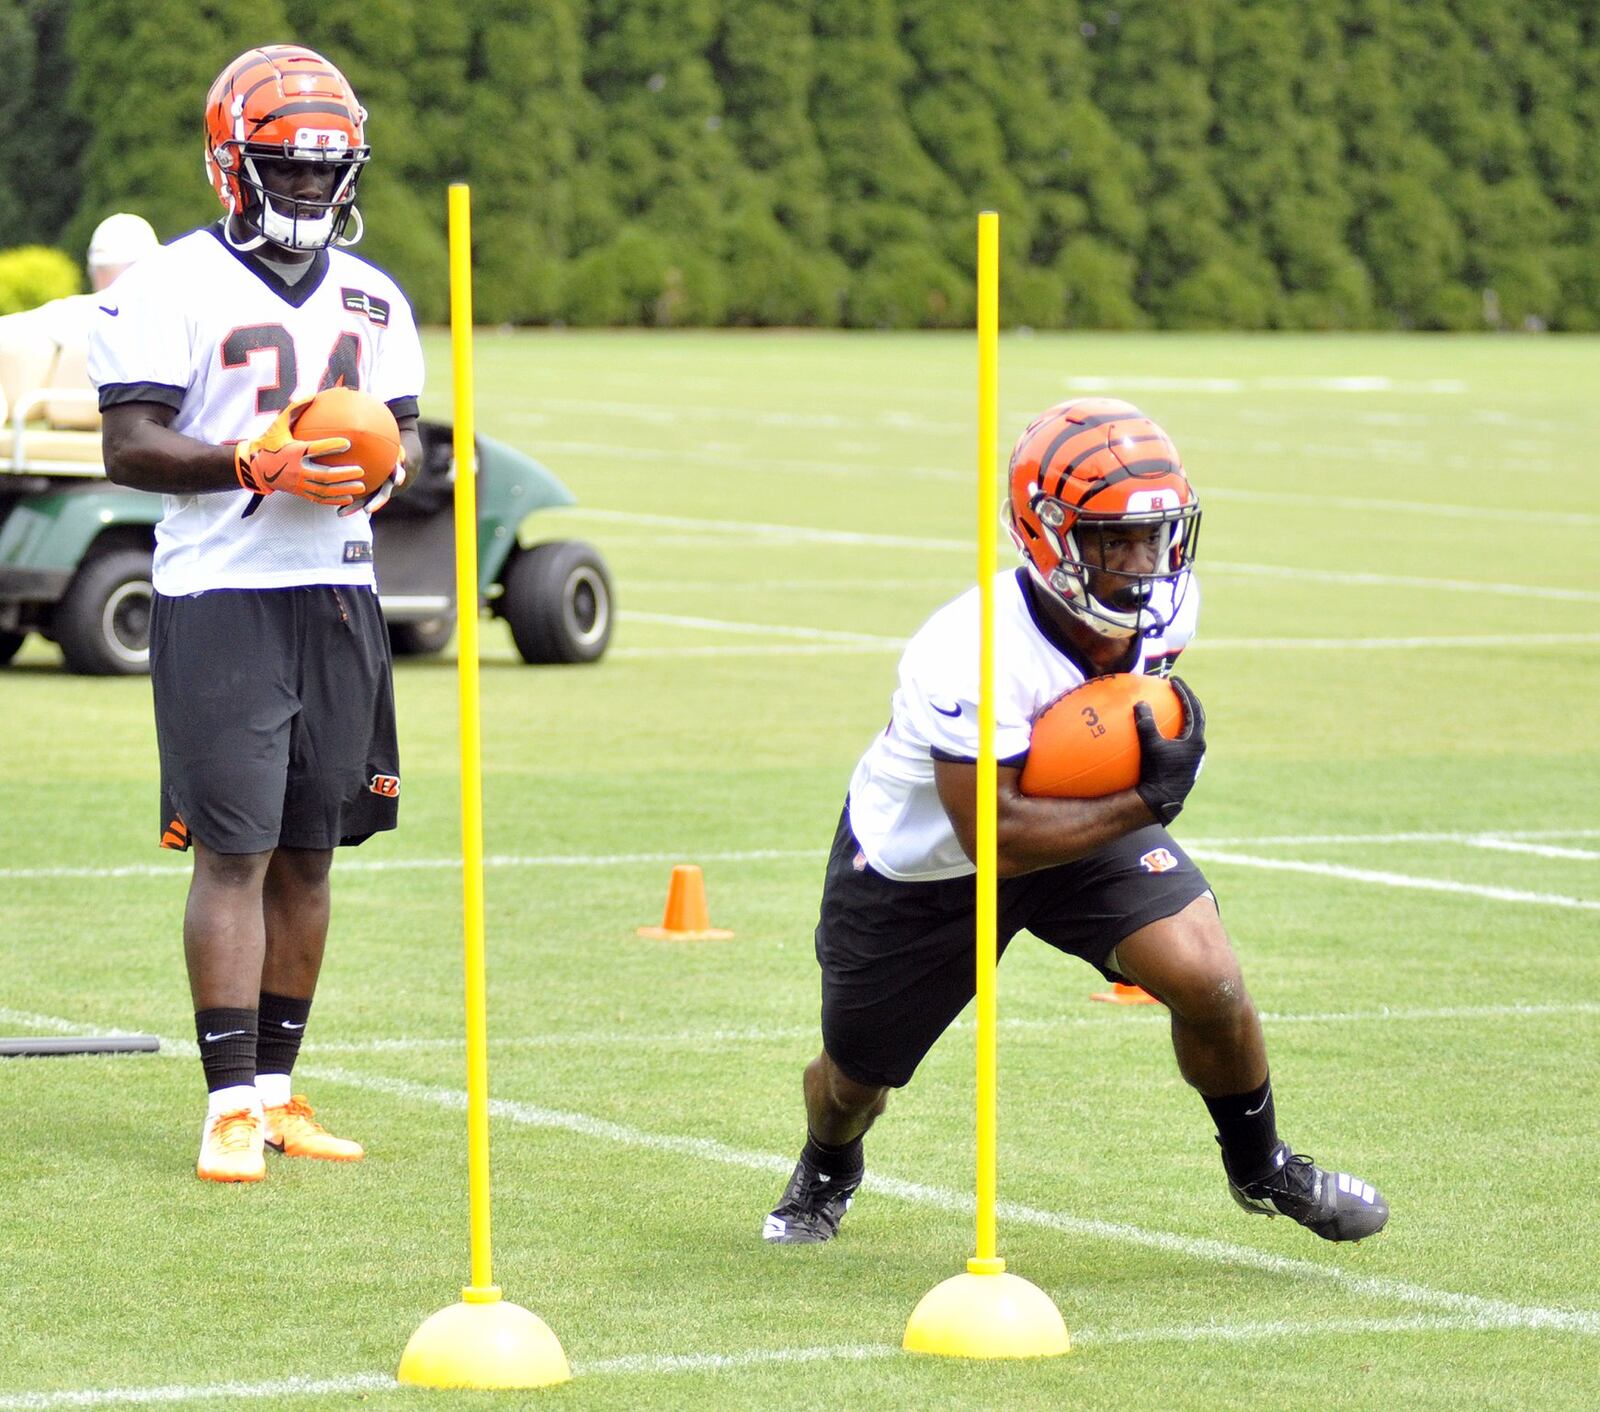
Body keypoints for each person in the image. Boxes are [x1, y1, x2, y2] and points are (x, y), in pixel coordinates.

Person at [763, 398, 1389, 1245]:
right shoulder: (969, 648)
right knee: (853, 1081)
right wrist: (1146, 800)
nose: (1141, 561)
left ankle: (1263, 1165)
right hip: (929, 865)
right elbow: (995, 837)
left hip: (1078, 827)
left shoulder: (1169, 605)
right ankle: (828, 1166)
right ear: (1049, 534)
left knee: (1209, 978)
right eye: (1111, 539)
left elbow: (1111, 727)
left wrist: (1148, 766)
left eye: (1155, 535)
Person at [88, 45, 423, 1183]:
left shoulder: (376, 296)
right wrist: (253, 461)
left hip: (336, 590)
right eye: (283, 168)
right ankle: (227, 1102)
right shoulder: (169, 286)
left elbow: (405, 440)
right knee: (235, 850)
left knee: (314, 854)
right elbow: (127, 445)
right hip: (220, 594)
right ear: (231, 165)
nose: (307, 192)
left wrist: (378, 472)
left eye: (324, 173)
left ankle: (278, 1090)